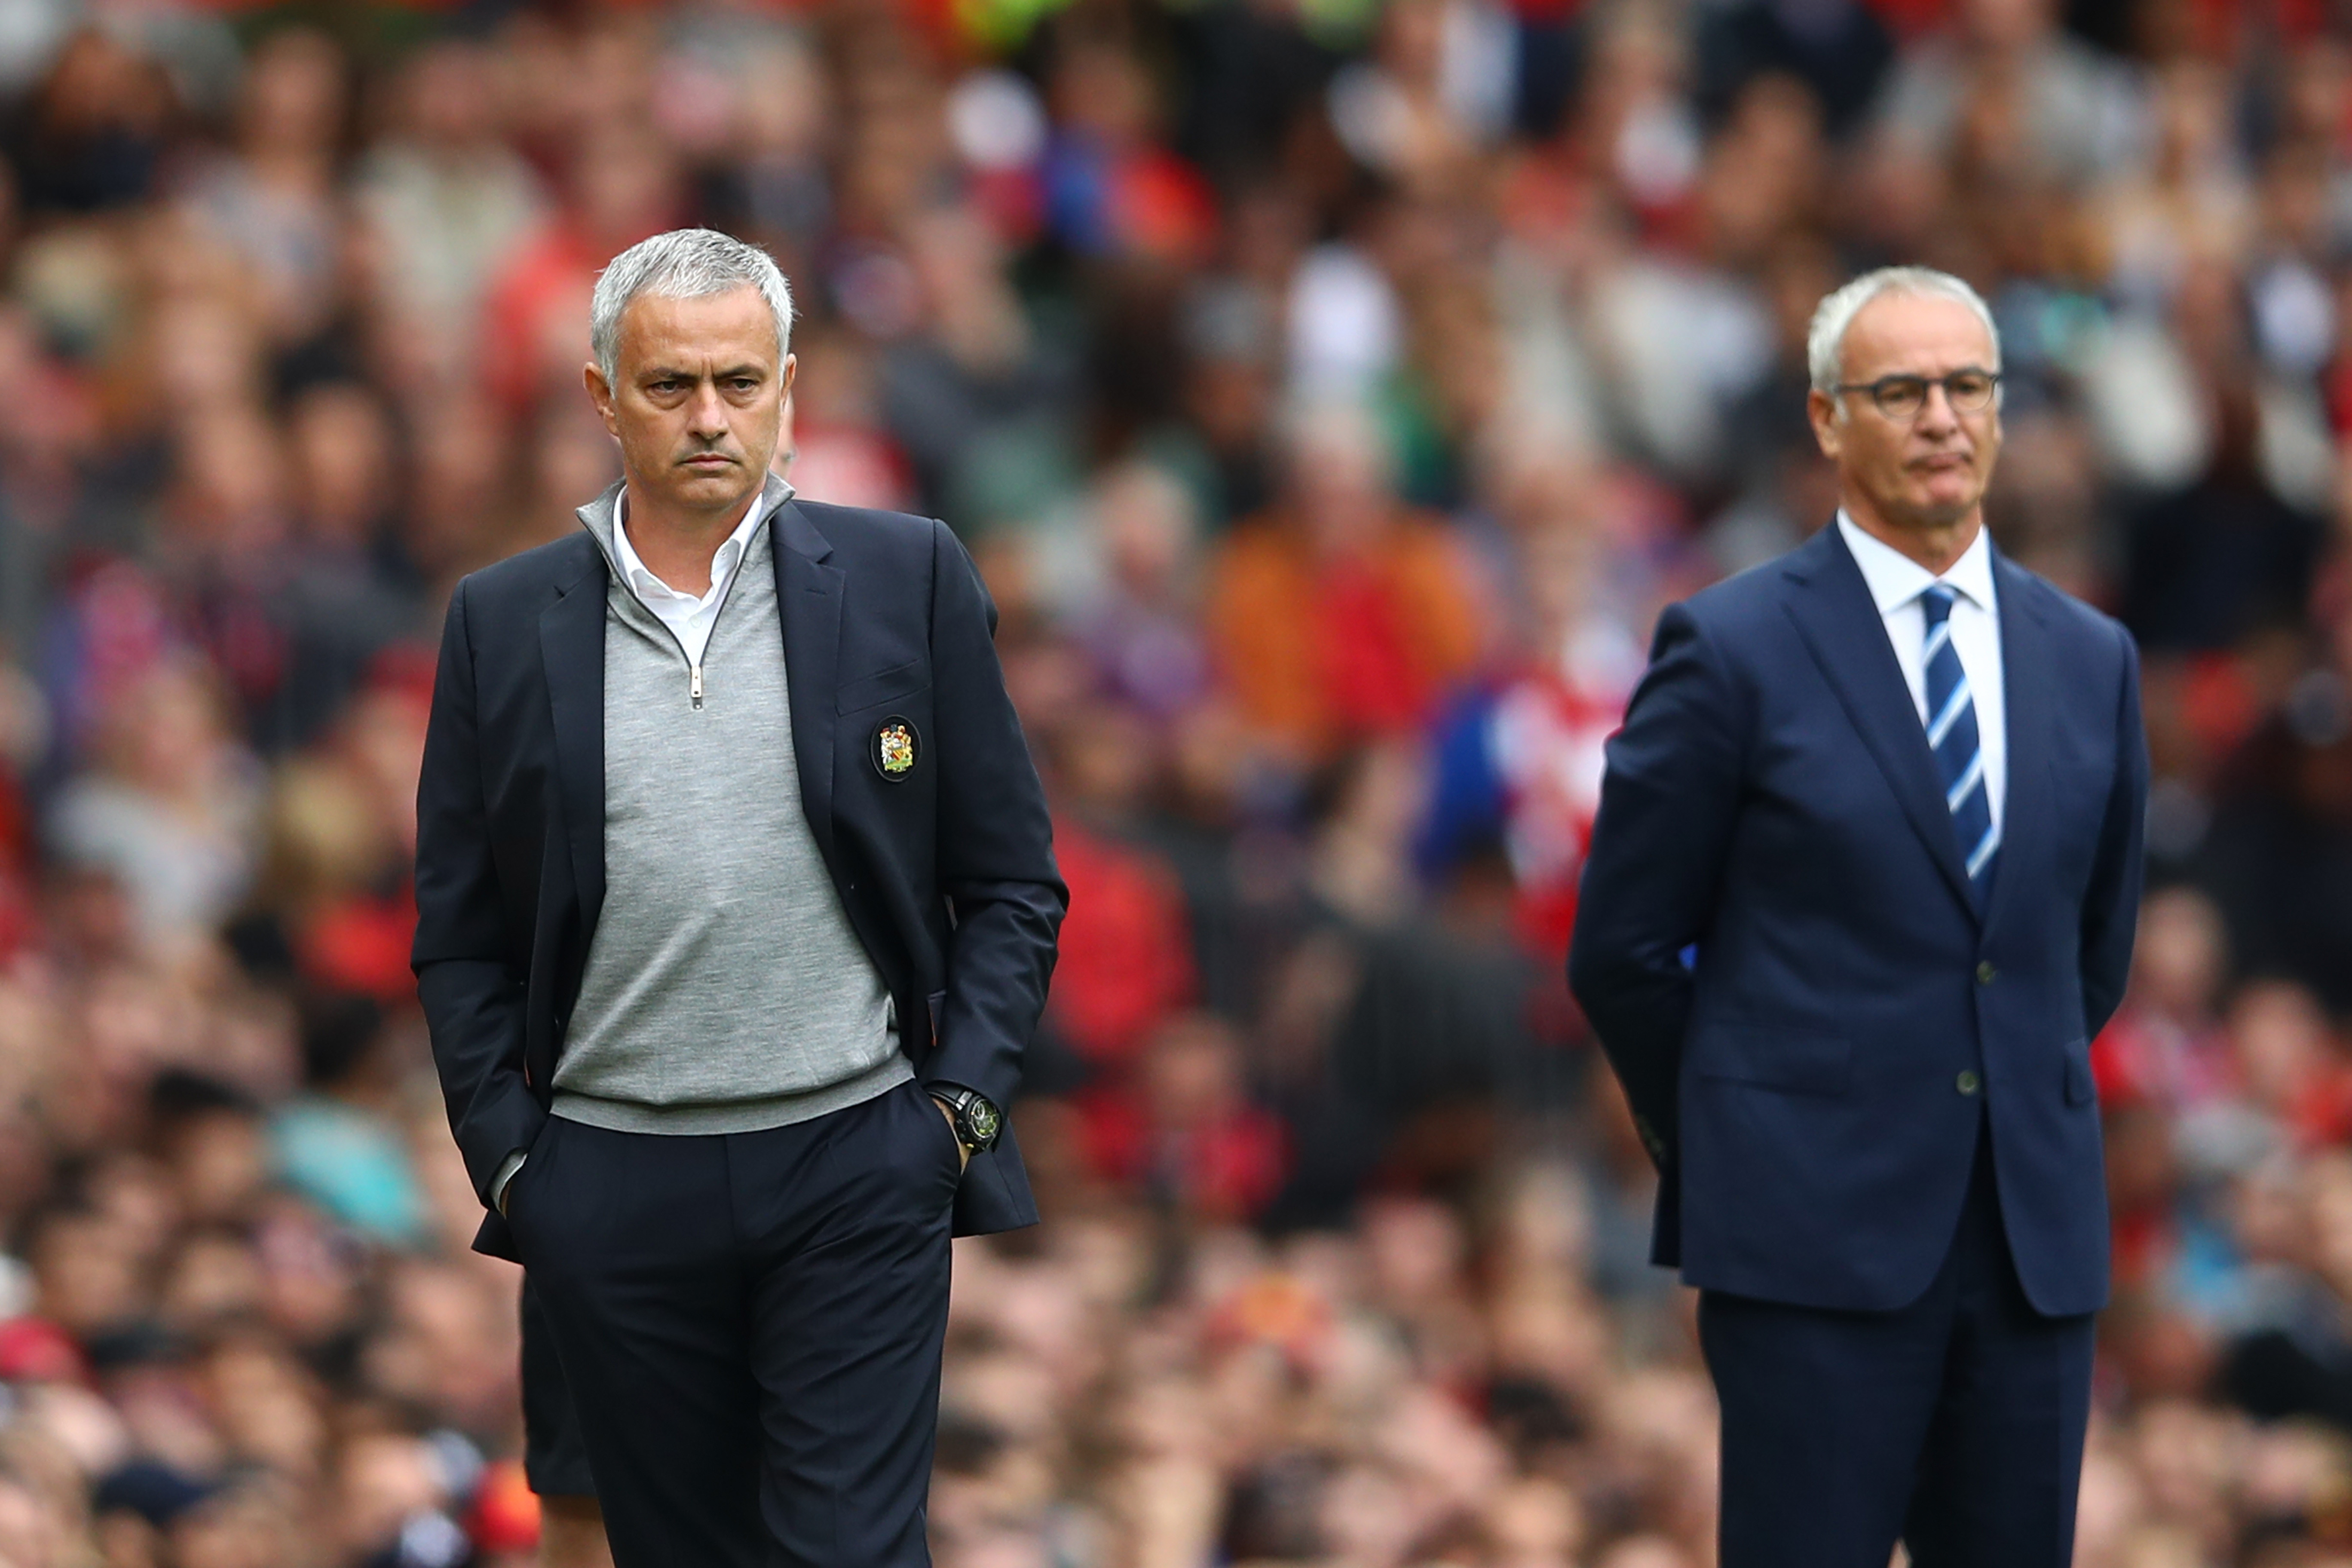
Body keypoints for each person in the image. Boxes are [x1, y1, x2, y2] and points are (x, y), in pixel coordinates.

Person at [412, 228, 1066, 1566]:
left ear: (787, 388)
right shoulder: (501, 620)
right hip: (611, 1178)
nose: (709, 417)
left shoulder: (908, 576)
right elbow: (461, 935)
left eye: (739, 382)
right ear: (603, 398)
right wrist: (521, 1166)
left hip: (855, 1159)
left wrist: (955, 1111)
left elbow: (1009, 878)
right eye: (670, 385)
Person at [1568, 266, 2147, 1568]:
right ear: (1829, 420)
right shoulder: (1730, 647)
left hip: (2031, 1248)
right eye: (1901, 391)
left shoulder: (2091, 656)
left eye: (1968, 386)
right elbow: (1622, 950)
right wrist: (1748, 1136)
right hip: (1807, 1246)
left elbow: (2086, 950)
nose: (1942, 417)